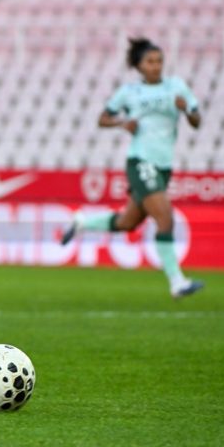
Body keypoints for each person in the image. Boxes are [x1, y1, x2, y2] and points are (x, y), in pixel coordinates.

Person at [61, 37, 204, 299]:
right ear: (139, 66)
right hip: (140, 161)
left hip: (163, 166)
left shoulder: (176, 87)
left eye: (159, 61)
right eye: (150, 61)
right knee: (165, 217)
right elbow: (103, 119)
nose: (156, 66)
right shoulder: (129, 92)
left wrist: (187, 111)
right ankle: (177, 282)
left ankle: (82, 222)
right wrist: (123, 123)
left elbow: (197, 121)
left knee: (128, 222)